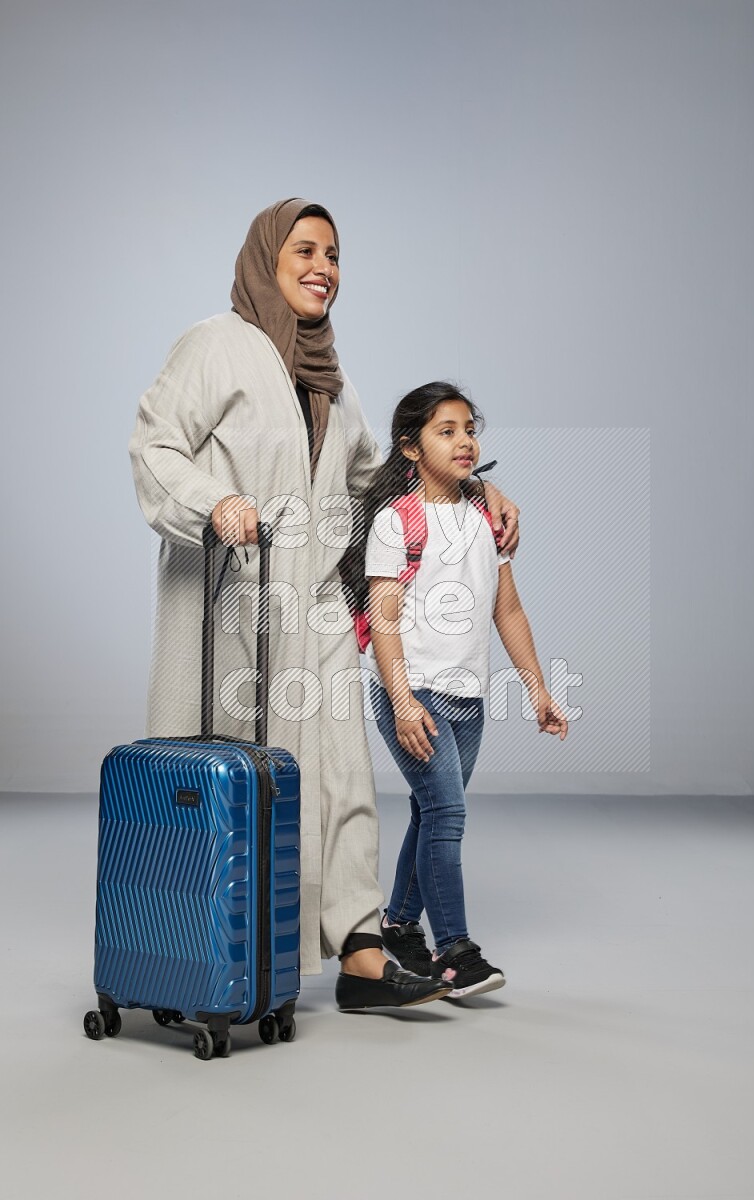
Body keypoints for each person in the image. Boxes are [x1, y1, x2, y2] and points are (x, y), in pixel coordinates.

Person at [129, 199, 520, 1010]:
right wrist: (214, 501)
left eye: (335, 254)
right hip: (229, 600)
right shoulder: (215, 346)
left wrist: (474, 489)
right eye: (305, 250)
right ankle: (198, 948)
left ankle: (360, 951)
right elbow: (154, 443)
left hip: (312, 610)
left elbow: (375, 481)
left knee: (339, 775)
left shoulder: (329, 382)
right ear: (267, 259)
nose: (323, 267)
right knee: (222, 771)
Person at [356, 381, 568, 998]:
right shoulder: (397, 520)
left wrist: (538, 689)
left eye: (469, 429)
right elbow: (386, 618)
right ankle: (454, 950)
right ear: (411, 448)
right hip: (413, 692)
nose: (464, 442)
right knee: (447, 813)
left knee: (430, 812)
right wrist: (401, 702)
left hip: (467, 698)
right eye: (445, 431)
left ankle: (398, 925)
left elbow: (509, 611)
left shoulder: (486, 517)